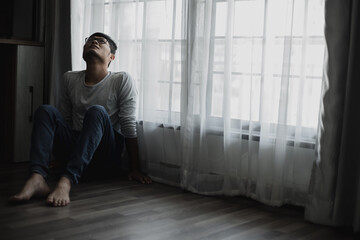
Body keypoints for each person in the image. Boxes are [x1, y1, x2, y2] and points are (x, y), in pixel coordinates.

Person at [9, 32, 152, 207]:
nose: (94, 42)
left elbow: (128, 126)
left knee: (97, 112)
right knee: (46, 110)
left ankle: (66, 181)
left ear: (111, 57)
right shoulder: (70, 78)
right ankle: (37, 177)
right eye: (90, 40)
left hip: (104, 157)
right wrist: (59, 156)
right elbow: (65, 121)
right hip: (76, 149)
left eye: (101, 41)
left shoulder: (121, 79)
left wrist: (134, 168)